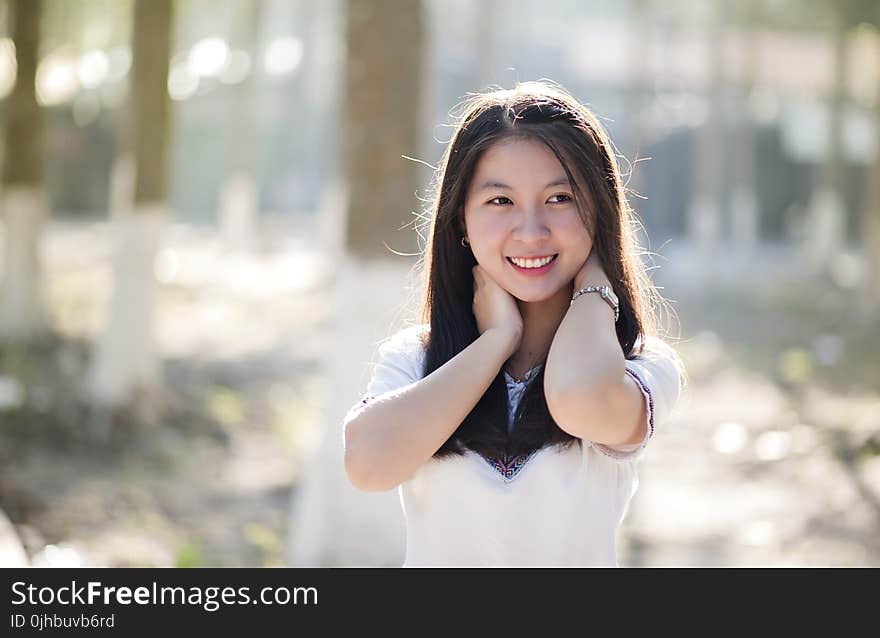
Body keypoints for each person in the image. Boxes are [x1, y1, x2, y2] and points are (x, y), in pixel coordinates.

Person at [343, 80, 685, 567]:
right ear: (460, 220)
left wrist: (595, 281)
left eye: (561, 199)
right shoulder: (416, 359)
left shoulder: (639, 364)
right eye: (500, 201)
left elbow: (580, 401)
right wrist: (497, 341)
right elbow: (368, 465)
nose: (531, 231)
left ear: (599, 213)